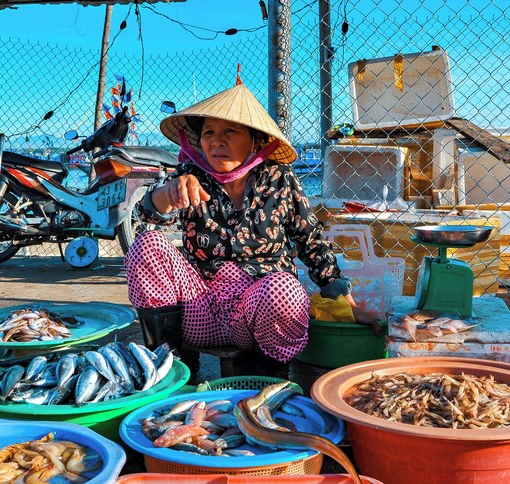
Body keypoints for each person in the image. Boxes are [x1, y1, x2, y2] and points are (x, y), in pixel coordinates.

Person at [124, 84, 362, 372]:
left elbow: (311, 241)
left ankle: (267, 376)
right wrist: (166, 193)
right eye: (209, 132)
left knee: (286, 290)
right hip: (200, 310)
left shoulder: (278, 179)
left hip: (257, 315)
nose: (216, 141)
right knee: (146, 245)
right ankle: (168, 365)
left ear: (256, 141)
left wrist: (345, 302)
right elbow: (146, 216)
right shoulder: (190, 174)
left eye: (230, 132)